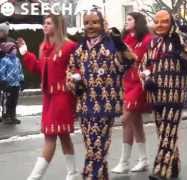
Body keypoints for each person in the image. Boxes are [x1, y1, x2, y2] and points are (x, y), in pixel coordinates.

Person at [66, 9, 134, 180]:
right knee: (91, 145)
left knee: (98, 145)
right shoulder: (79, 46)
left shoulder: (111, 43)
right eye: (87, 22)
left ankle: (90, 176)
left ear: (102, 23)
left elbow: (128, 62)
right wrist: (74, 82)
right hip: (84, 103)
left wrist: (120, 45)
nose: (91, 26)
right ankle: (101, 175)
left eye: (94, 22)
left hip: (106, 102)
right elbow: (71, 68)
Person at [140, 10, 187, 180]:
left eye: (164, 21)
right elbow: (142, 66)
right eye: (157, 22)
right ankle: (174, 165)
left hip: (174, 96)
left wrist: (181, 49)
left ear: (171, 23)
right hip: (156, 96)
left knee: (168, 133)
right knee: (164, 133)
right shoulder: (153, 44)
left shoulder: (179, 40)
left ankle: (161, 170)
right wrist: (147, 78)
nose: (160, 25)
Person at [17, 14, 80, 180]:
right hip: (49, 97)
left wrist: (76, 76)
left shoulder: (69, 46)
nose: (45, 26)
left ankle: (35, 177)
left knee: (51, 135)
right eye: (44, 23)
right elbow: (39, 69)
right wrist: (25, 54)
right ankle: (72, 173)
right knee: (63, 135)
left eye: (48, 23)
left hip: (63, 96)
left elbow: (79, 67)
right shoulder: (43, 47)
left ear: (58, 26)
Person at [111, 12, 153, 173]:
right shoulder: (125, 39)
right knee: (135, 123)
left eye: (129, 19)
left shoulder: (147, 39)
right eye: (126, 19)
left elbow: (150, 60)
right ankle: (143, 160)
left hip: (139, 83)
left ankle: (124, 161)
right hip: (127, 82)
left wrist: (147, 72)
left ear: (138, 22)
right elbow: (121, 60)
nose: (126, 22)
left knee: (125, 120)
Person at [0, 42, 24, 124]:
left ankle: (13, 116)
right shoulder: (4, 60)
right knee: (7, 101)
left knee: (14, 101)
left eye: (16, 49)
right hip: (8, 85)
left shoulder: (17, 60)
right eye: (14, 49)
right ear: (9, 50)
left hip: (16, 85)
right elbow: (1, 72)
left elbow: (20, 71)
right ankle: (6, 116)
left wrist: (21, 81)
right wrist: (4, 83)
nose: (16, 50)